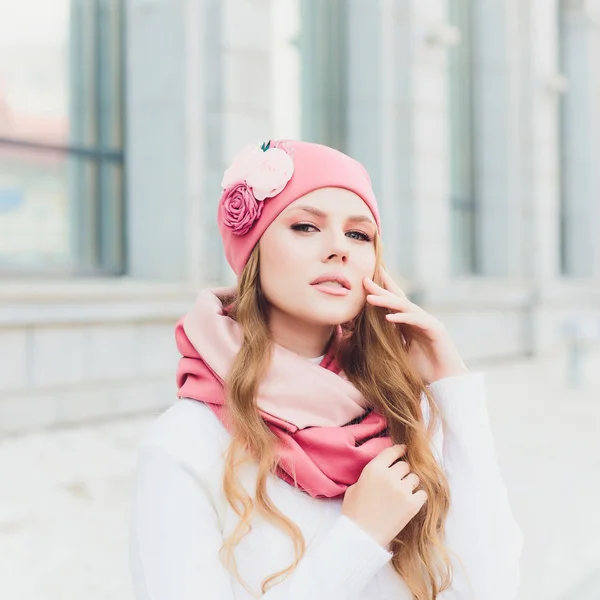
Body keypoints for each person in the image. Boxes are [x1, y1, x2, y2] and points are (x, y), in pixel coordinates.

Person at [128, 140, 523, 599]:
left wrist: (452, 389)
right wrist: (358, 539)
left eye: (359, 235)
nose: (338, 249)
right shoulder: (187, 444)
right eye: (305, 226)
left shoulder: (397, 418)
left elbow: (491, 587)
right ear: (252, 252)